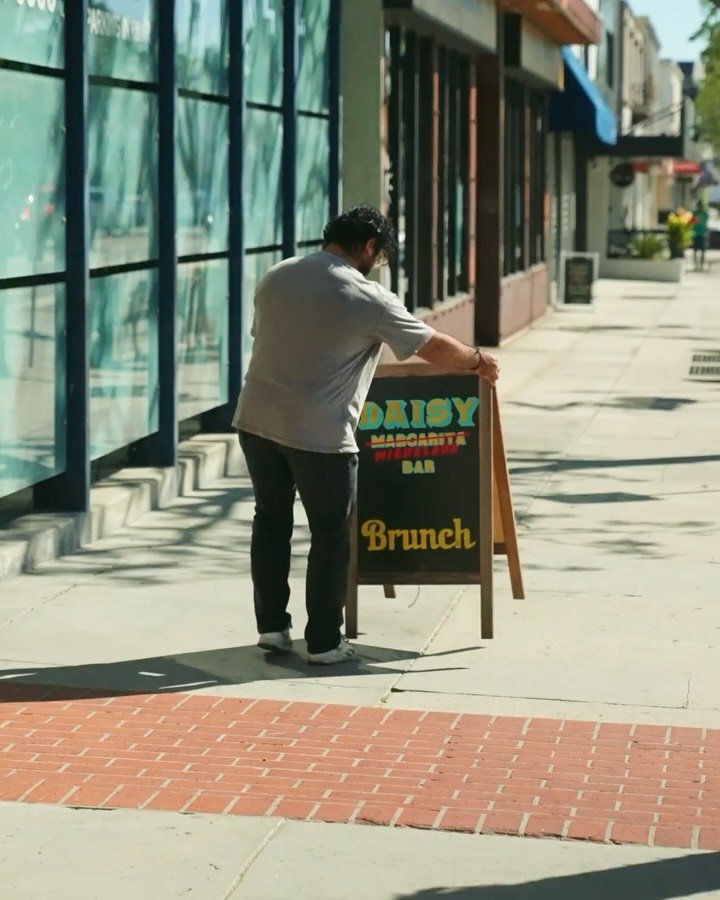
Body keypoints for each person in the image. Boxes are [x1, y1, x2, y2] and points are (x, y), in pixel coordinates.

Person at [233, 207, 499, 665]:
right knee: (331, 535)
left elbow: (267, 337)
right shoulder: (369, 296)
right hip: (319, 435)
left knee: (271, 521)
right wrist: (478, 361)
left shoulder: (277, 275)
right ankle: (323, 642)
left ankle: (272, 628)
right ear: (371, 247)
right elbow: (430, 347)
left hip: (257, 421)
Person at [692, 200, 709, 272]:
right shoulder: (695, 213)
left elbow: (705, 224)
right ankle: (696, 265)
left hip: (702, 234)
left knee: (702, 251)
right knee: (695, 251)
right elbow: (693, 222)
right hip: (696, 233)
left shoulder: (705, 214)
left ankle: (701, 266)